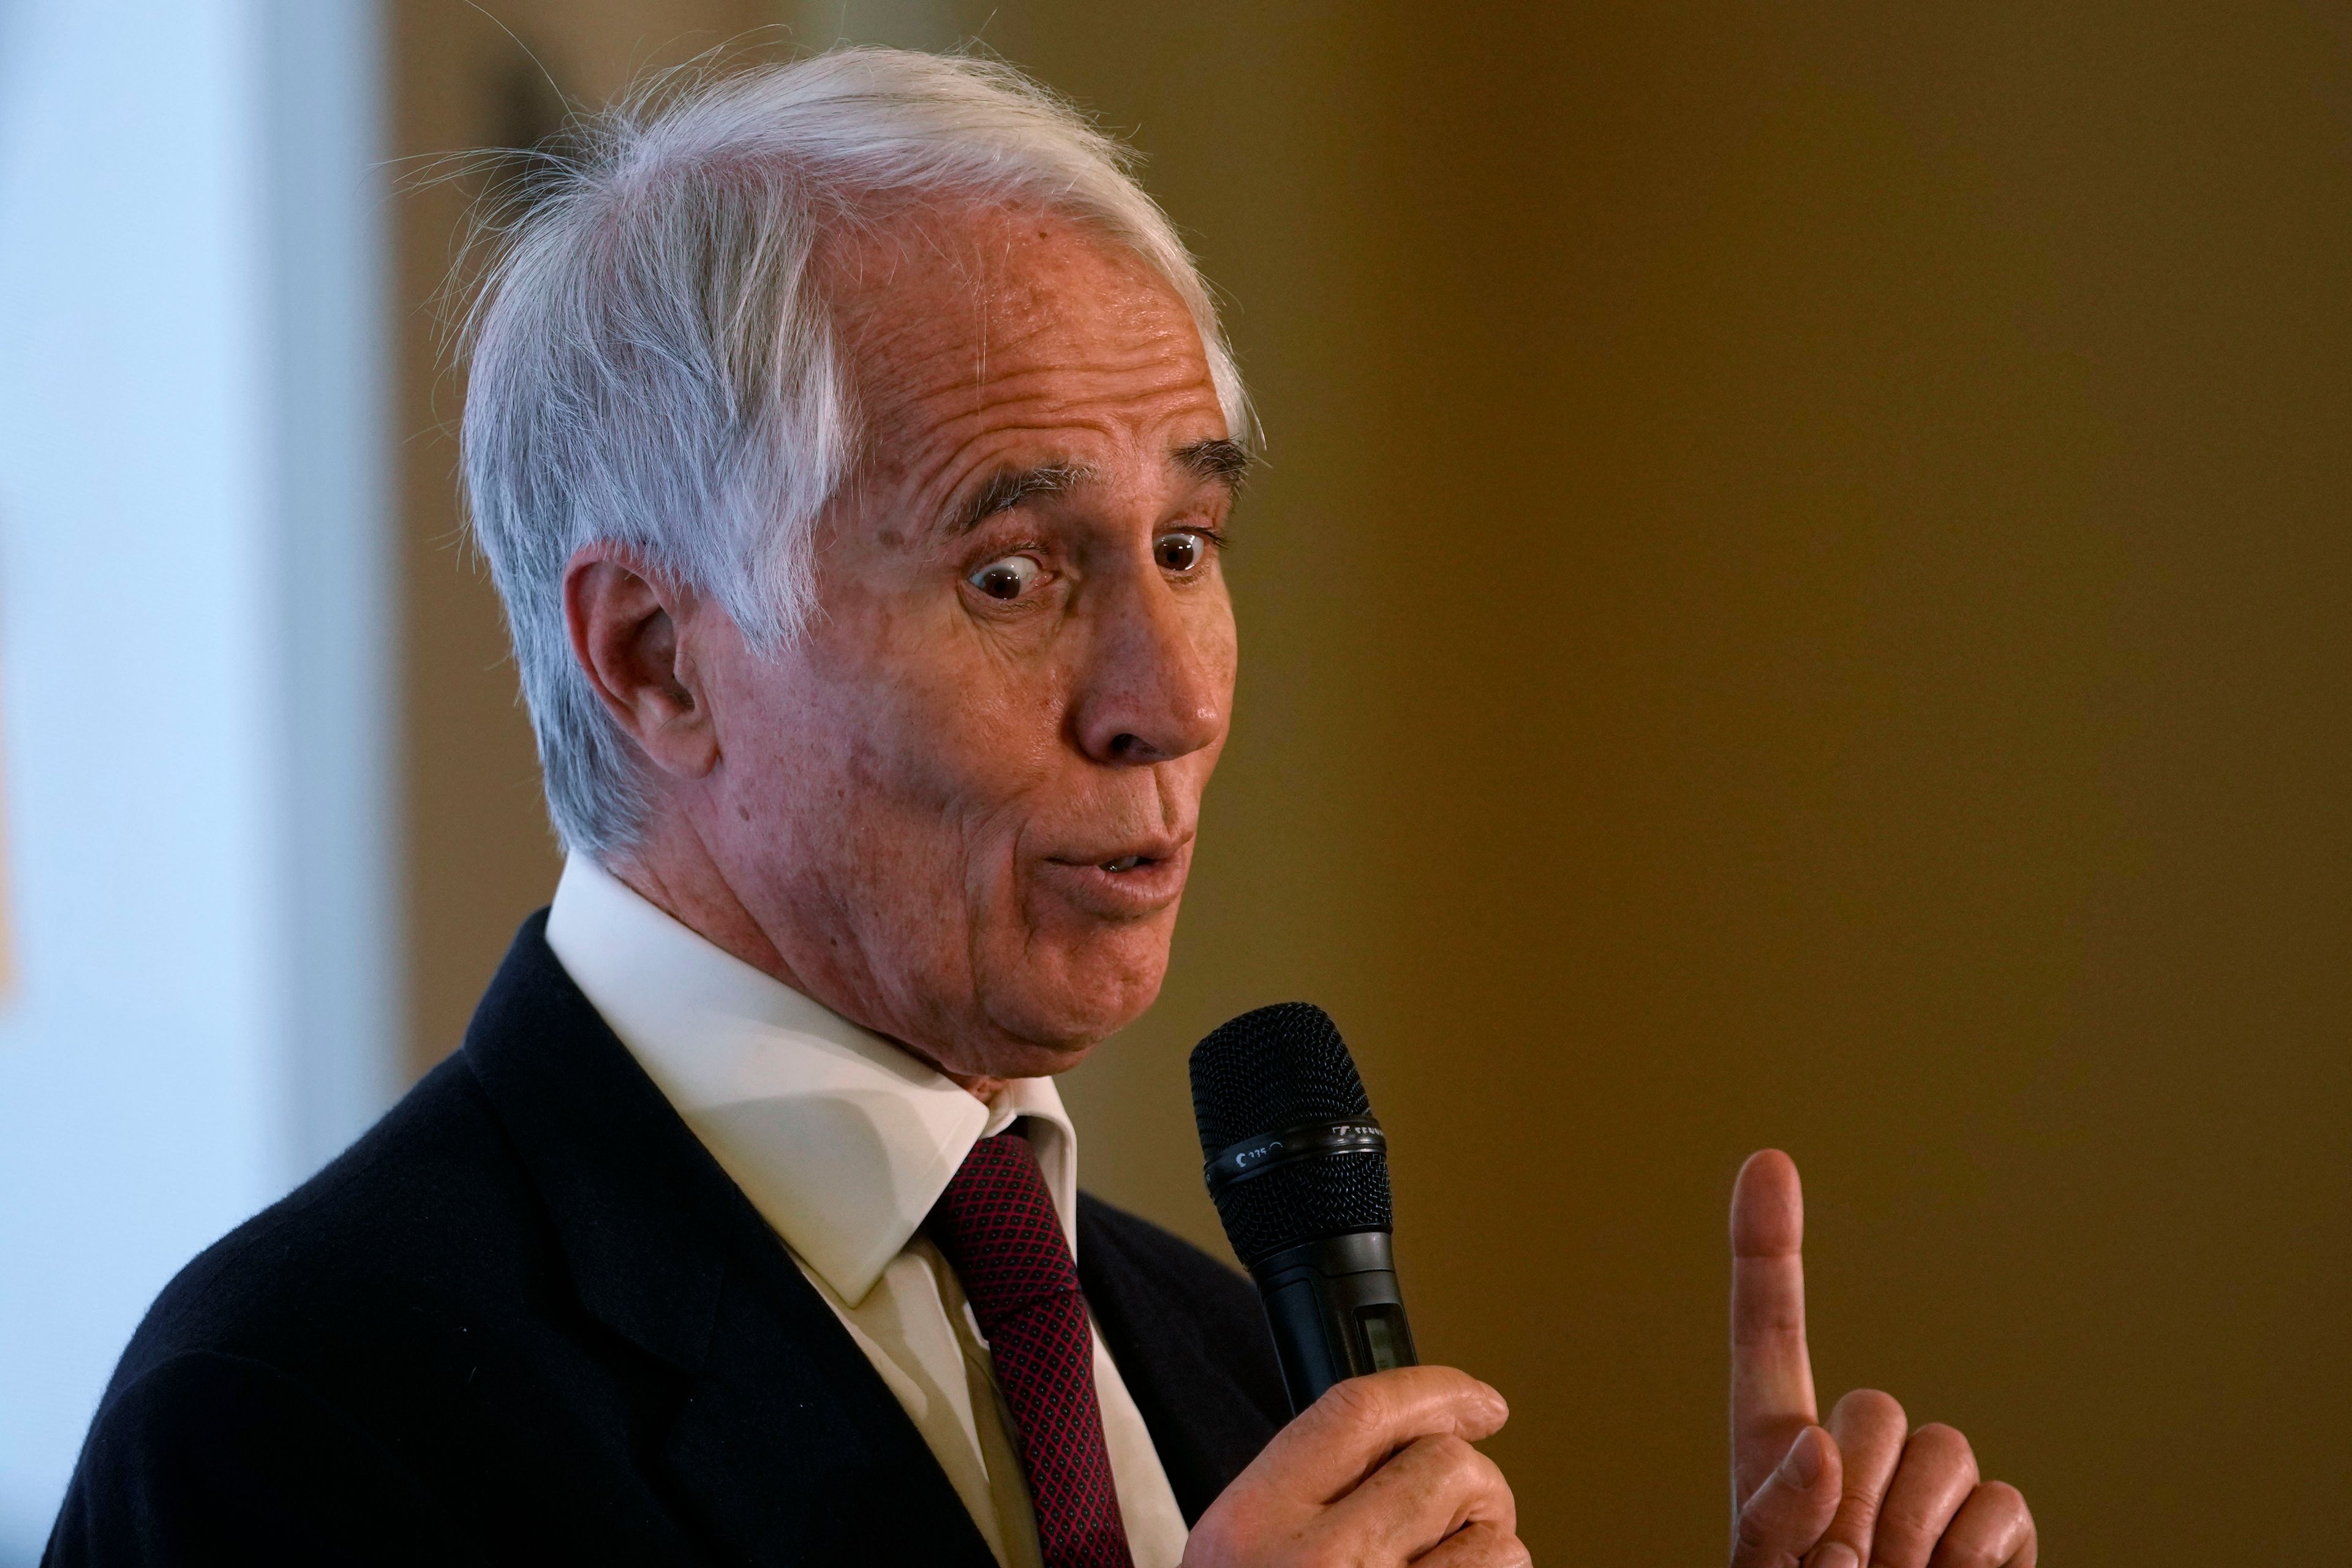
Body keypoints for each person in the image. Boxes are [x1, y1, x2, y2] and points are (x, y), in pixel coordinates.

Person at [46, 50, 2034, 1568]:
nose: (1163, 700)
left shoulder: (1211, 1349)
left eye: (1186, 541)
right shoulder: (297, 1412)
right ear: (657, 655)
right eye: (1013, 574)